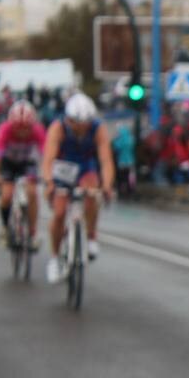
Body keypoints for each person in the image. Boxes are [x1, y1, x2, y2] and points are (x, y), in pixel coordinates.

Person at [40, 94, 115, 284]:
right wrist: (49, 182)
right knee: (59, 212)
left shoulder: (98, 129)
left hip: (85, 167)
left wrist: (106, 185)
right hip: (63, 167)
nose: (81, 128)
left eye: (85, 124)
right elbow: (48, 159)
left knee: (92, 192)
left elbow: (106, 160)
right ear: (68, 119)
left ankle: (91, 236)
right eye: (76, 124)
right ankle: (55, 258)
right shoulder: (58, 127)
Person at [0, 102, 47, 249]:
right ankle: (5, 226)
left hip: (27, 163)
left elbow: (47, 156)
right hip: (8, 163)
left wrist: (47, 176)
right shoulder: (4, 130)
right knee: (7, 195)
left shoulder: (38, 131)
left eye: (26, 128)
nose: (22, 132)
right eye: (18, 127)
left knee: (32, 193)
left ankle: (33, 233)